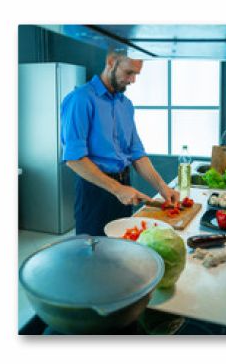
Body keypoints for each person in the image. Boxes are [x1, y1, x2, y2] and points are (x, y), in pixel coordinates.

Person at [61, 49, 180, 235]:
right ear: (111, 62)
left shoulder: (126, 105)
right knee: (96, 255)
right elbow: (74, 159)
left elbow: (137, 155)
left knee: (123, 249)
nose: (133, 80)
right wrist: (117, 189)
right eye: (129, 72)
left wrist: (163, 188)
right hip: (95, 191)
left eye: (136, 74)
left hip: (125, 187)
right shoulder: (80, 99)